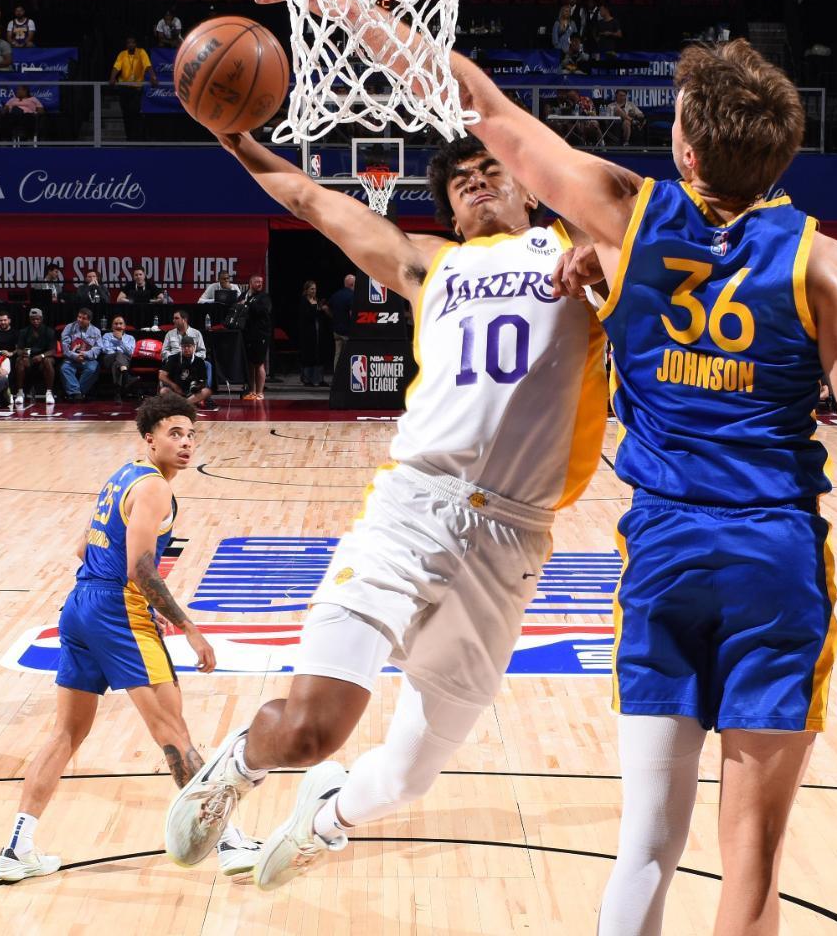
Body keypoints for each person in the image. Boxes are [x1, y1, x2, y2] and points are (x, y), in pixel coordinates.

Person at [343, 19, 837, 929]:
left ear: (682, 144)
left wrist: (354, 6)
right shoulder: (826, 266)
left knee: (646, 847)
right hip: (776, 564)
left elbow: (483, 106)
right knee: (750, 869)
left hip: (666, 561)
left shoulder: (625, 217)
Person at [166, 118, 616, 887]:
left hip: (514, 537)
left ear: (526, 179)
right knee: (311, 732)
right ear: (447, 206)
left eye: (490, 167)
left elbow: (607, 193)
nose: (475, 180)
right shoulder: (428, 265)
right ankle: (237, 765)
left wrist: (592, 250)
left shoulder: (592, 253)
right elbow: (308, 197)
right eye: (458, 180)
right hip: (413, 507)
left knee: (410, 776)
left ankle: (327, 820)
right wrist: (233, 136)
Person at [0, 395, 258, 883]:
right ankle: (226, 843)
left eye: (190, 434)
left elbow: (82, 547)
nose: (185, 443)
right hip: (117, 609)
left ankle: (18, 848)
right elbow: (140, 570)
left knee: (66, 733)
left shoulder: (123, 476)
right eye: (173, 433)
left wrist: (109, 600)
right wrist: (188, 625)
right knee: (174, 734)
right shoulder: (156, 489)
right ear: (149, 438)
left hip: (81, 607)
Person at [110, 35, 153, 141]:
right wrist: (112, 78)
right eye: (129, 43)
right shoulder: (122, 54)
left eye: (132, 42)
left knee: (135, 113)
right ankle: (129, 137)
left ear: (135, 44)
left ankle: (137, 137)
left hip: (136, 89)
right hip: (124, 88)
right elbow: (116, 67)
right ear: (126, 45)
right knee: (126, 114)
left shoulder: (141, 52)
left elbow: (148, 66)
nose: (131, 44)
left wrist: (153, 77)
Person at [237, 275, 272, 400]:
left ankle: (260, 392)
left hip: (261, 334)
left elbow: (263, 311)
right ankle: (252, 390)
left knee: (259, 363)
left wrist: (247, 305)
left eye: (261, 282)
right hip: (247, 334)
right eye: (257, 282)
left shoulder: (264, 297)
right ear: (250, 282)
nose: (259, 284)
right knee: (250, 364)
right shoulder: (243, 295)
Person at [158, 337, 215, 410]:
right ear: (181, 347)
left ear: (194, 347)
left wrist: (198, 386)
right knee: (164, 391)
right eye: (184, 346)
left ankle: (182, 404)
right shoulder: (173, 358)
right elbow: (161, 376)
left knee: (207, 391)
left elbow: (203, 381)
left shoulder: (199, 361)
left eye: (189, 346)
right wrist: (174, 385)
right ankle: (187, 404)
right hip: (177, 392)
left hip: (192, 393)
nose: (186, 348)